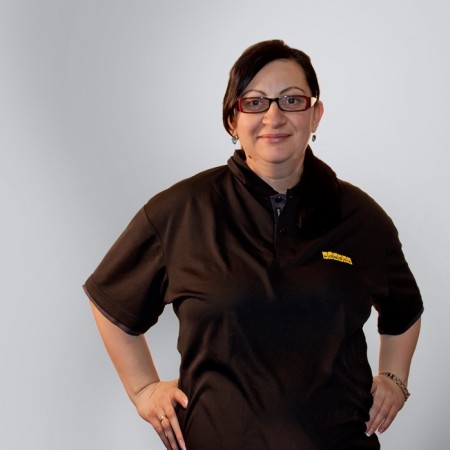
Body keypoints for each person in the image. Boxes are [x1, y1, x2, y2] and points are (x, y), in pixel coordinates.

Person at [84, 39, 423, 450]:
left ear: (315, 114)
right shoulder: (181, 211)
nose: (274, 117)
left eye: (292, 100)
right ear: (233, 119)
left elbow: (404, 312)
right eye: (255, 102)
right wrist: (143, 389)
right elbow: (111, 301)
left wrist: (394, 378)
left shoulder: (361, 218)